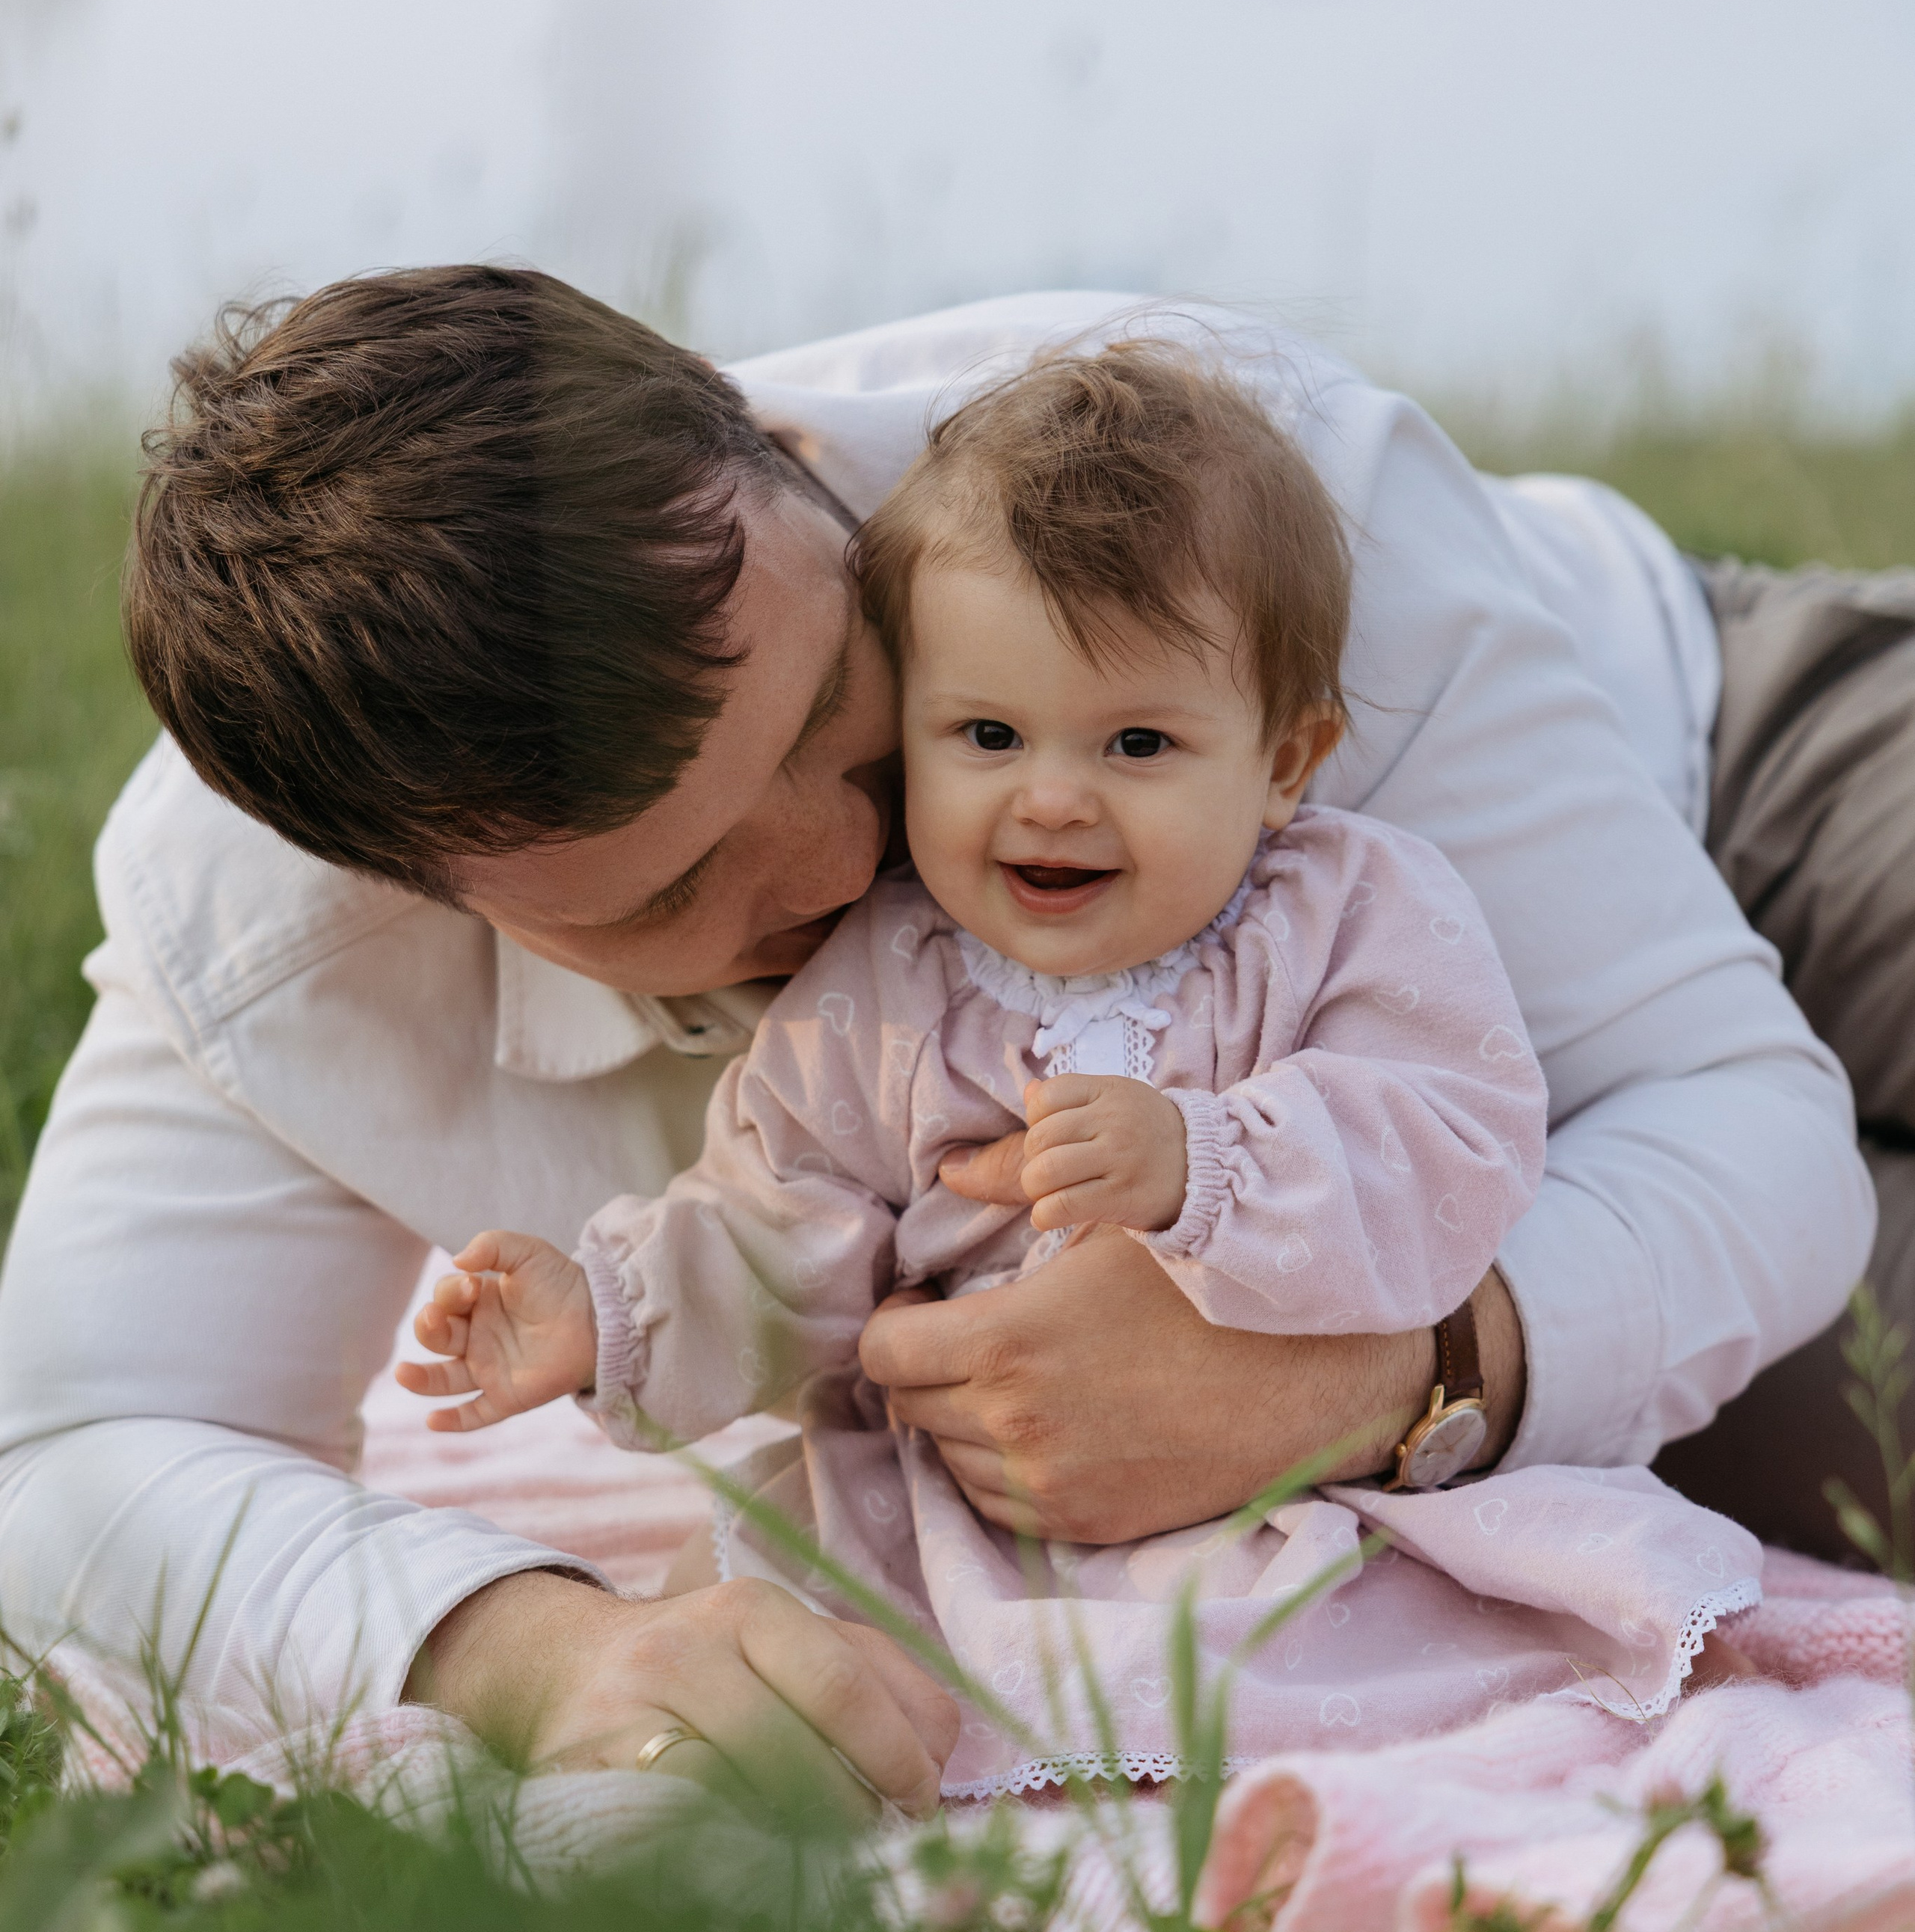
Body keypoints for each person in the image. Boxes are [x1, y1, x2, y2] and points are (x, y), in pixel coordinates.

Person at [0, 269, 1878, 1818]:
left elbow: (1729, 1110)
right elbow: (79, 1449)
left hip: (1737, 757)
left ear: (798, 465)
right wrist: (537, 1648)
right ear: (428, 893)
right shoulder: (262, 927)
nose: (849, 861)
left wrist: (1361, 1384)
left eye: (839, 701)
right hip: (1510, 1185)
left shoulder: (1227, 505)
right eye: (675, 890)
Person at [390, 343, 1606, 1797]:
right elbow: (783, 1216)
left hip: (1287, 1478)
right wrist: (608, 1313)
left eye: (1137, 741)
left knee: (1321, 1666)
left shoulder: (1342, 913)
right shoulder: (883, 988)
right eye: (985, 735)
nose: (1052, 796)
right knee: (786, 1653)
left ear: (1286, 761)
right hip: (958, 1510)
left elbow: (1454, 1130)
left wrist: (1209, 1161)